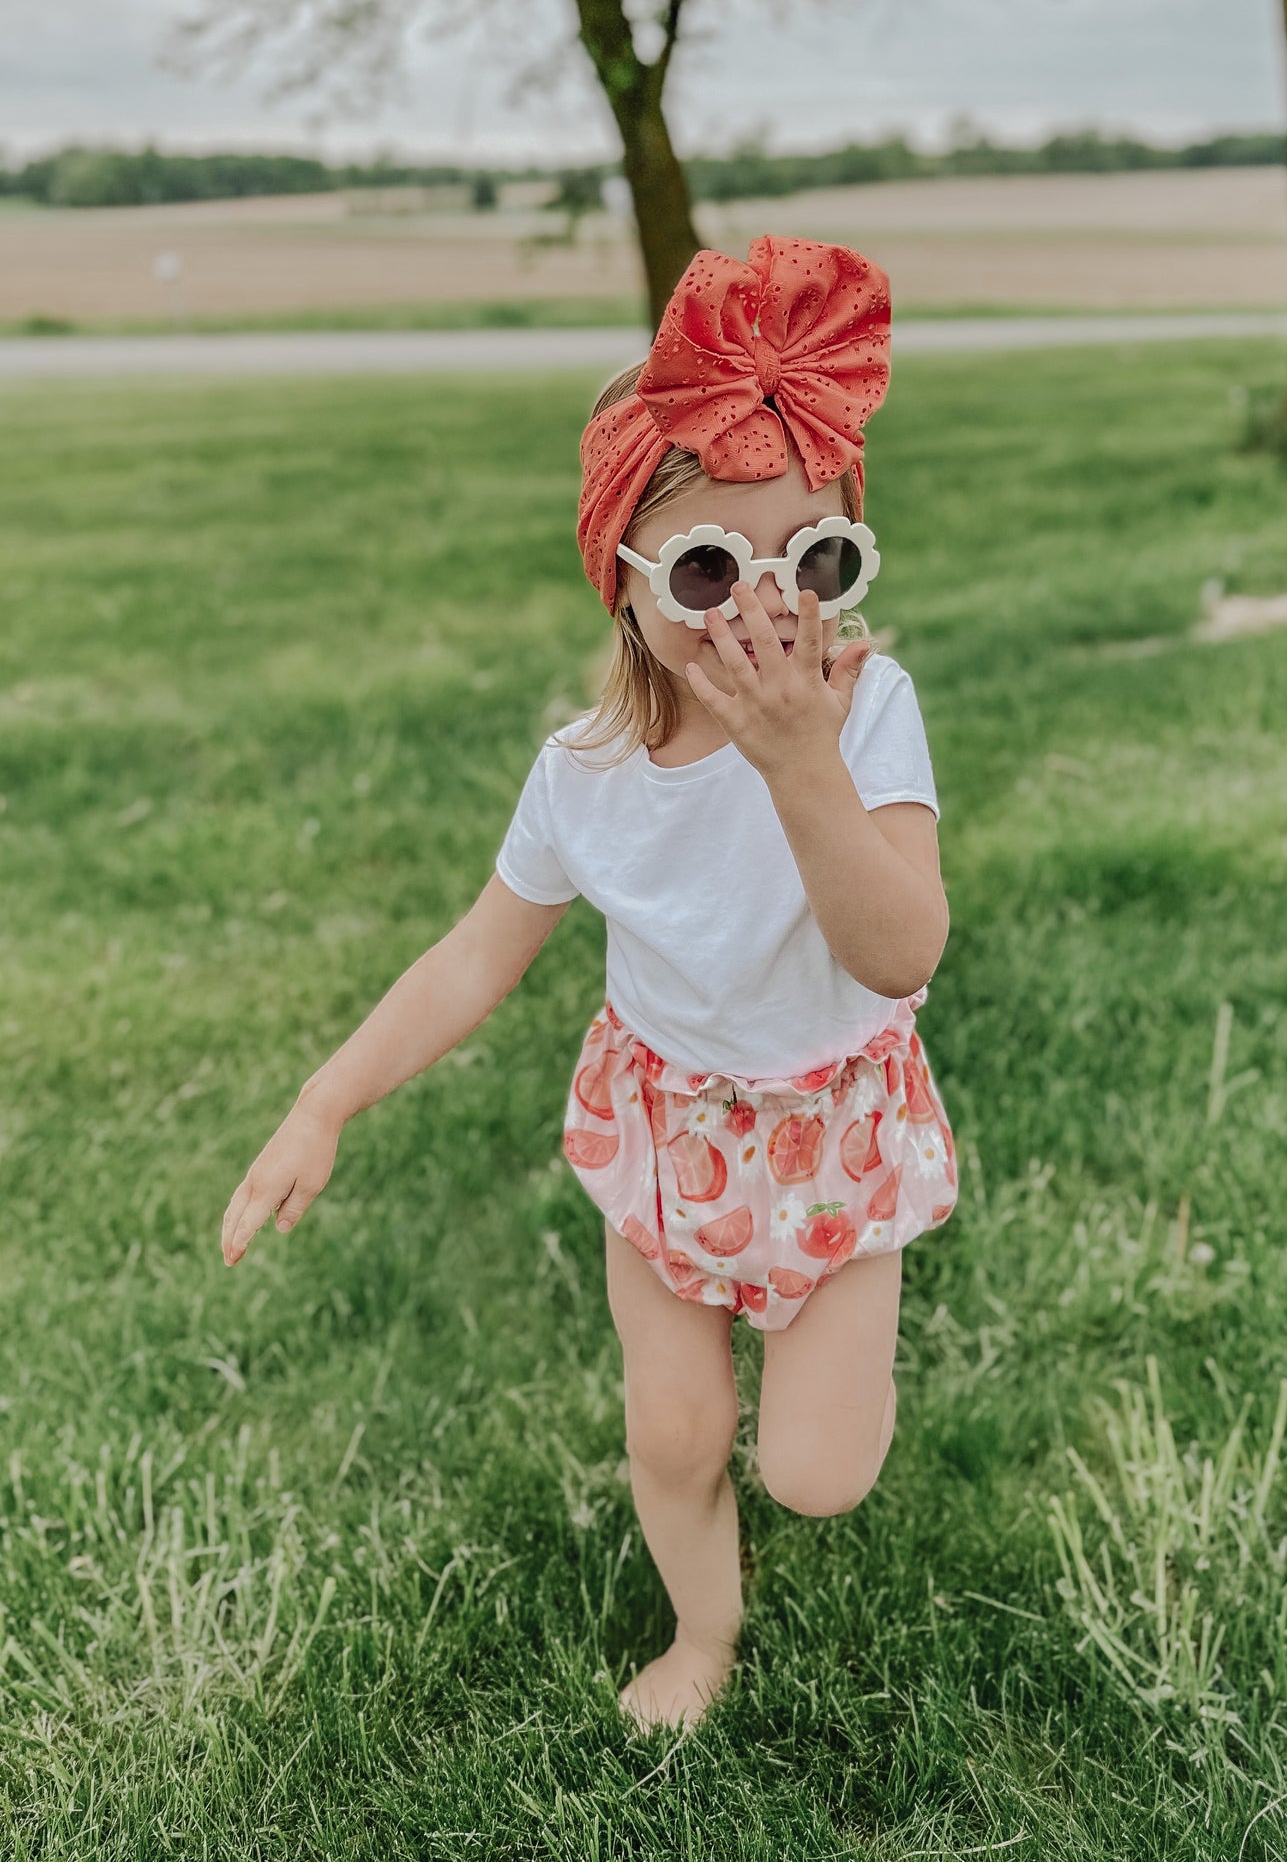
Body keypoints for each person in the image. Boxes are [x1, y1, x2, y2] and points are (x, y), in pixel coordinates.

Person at [219, 235, 959, 1738]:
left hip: (831, 1125)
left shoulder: (863, 714)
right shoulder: (588, 773)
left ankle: (826, 1370)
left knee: (817, 1474)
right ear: (621, 586)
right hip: (667, 1125)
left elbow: (900, 952)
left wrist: (799, 764)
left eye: (809, 561)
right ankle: (704, 1631)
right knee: (672, 1429)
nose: (761, 611)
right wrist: (324, 1098)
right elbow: (474, 957)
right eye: (705, 570)